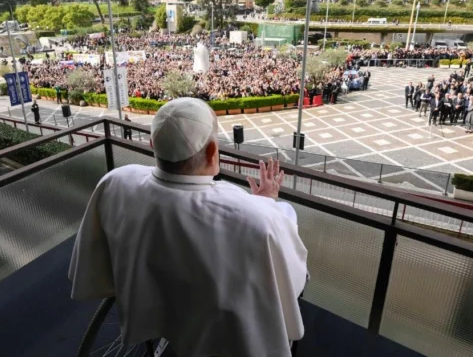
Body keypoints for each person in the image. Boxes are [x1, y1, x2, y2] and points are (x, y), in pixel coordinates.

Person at [69, 98, 308, 357]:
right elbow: (291, 280)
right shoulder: (257, 217)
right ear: (212, 151)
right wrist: (268, 203)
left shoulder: (116, 180)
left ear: (152, 145)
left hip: (152, 301)